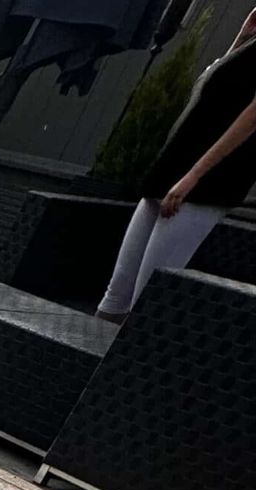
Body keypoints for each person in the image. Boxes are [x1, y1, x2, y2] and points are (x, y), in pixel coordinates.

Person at [97, 6, 256, 317]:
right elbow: (210, 91)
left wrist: (192, 177)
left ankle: (125, 361)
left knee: (146, 298)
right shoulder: (248, 47)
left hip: (206, 182)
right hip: (171, 169)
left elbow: (251, 121)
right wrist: (241, 36)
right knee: (116, 295)